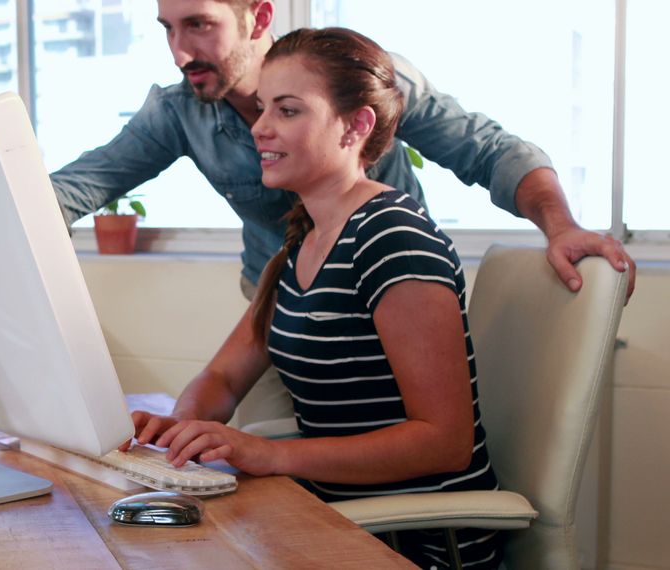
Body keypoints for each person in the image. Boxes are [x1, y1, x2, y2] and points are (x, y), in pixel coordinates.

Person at [49, 0, 634, 426]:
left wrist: (560, 225)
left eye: (199, 25)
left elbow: (489, 149)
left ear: (257, 16)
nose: (180, 51)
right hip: (289, 318)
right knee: (241, 460)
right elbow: (79, 185)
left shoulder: (360, 87)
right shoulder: (182, 115)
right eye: (168, 29)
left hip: (389, 305)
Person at [123, 27, 502, 568]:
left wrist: (272, 454)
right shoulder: (303, 238)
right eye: (262, 109)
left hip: (417, 544)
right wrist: (184, 431)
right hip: (338, 519)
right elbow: (225, 376)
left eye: (288, 110)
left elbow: (443, 442)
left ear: (356, 126)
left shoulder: (394, 238)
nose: (260, 128)